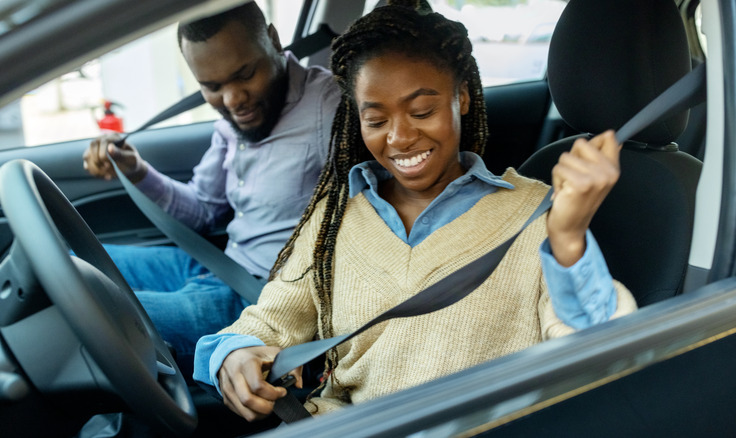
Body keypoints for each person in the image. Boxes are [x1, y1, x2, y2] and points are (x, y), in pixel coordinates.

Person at [193, 0, 637, 422]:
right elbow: (268, 322)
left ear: (461, 98)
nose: (400, 138)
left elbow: (603, 352)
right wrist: (234, 354)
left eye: (422, 110)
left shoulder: (535, 211)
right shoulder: (337, 214)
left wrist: (568, 238)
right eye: (377, 120)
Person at [81, 2, 340, 378]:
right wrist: (135, 170)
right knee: (73, 259)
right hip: (215, 265)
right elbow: (203, 211)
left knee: (91, 311)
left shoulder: (332, 109)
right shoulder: (233, 121)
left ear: (272, 39)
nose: (234, 100)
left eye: (245, 74)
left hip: (256, 298)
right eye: (212, 86)